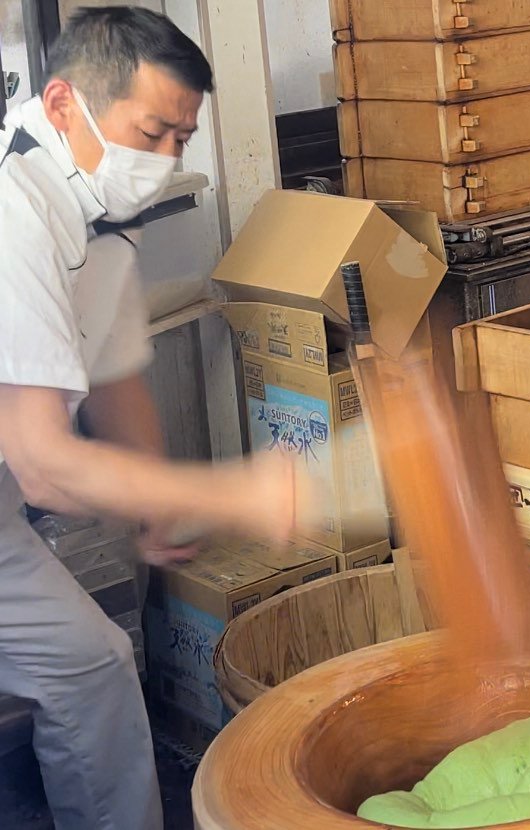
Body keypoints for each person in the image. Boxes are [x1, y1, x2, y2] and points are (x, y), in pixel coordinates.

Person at [0, 7, 304, 829]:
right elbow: (43, 463)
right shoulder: (11, 209)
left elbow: (113, 375)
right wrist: (231, 495)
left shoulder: (95, 204)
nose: (165, 158)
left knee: (91, 667)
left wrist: (156, 502)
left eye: (181, 138)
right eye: (152, 132)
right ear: (63, 104)